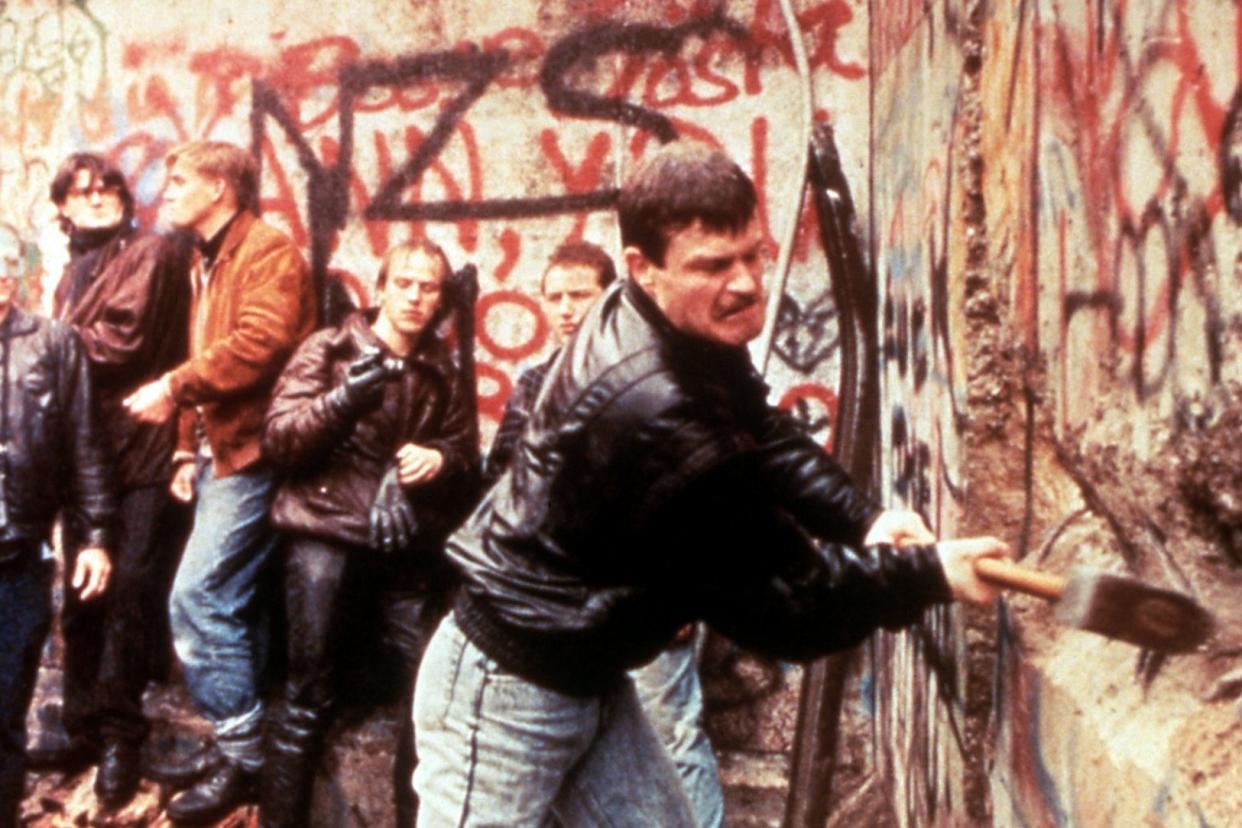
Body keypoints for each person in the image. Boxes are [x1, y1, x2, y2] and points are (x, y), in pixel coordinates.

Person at [411, 141, 1009, 827]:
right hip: (505, 691)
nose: (748, 282)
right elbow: (790, 603)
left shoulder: (667, 321)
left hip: (587, 672)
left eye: (753, 254)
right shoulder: (657, 409)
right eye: (714, 265)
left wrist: (863, 519)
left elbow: (758, 426)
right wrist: (929, 575)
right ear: (644, 267)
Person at [482, 239, 726, 827]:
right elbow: (502, 483)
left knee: (672, 737)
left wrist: (682, 587)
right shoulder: (537, 383)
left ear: (612, 297)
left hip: (644, 596)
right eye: (555, 297)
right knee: (584, 754)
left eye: (580, 296)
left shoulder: (655, 375)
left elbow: (695, 495)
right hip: (566, 603)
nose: (566, 309)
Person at [124, 140, 316, 823]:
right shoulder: (209, 256)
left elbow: (261, 343)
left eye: (179, 180)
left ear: (220, 189)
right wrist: (184, 450)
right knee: (234, 603)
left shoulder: (265, 251)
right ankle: (245, 754)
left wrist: (173, 390)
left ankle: (247, 761)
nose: (165, 191)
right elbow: (208, 353)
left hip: (255, 454)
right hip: (218, 453)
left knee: (199, 599)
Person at [259, 240, 479, 828]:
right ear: (380, 289)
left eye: (428, 287)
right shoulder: (329, 349)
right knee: (307, 697)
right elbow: (279, 443)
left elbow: (466, 457)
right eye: (403, 283)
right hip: (324, 534)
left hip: (401, 546)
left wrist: (437, 461)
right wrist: (342, 401)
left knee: (426, 694)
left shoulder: (440, 371)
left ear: (440, 300)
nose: (414, 297)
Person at [23, 153, 192, 809]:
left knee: (127, 590)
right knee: (83, 593)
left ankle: (120, 732)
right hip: (84, 452)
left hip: (140, 447)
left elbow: (123, 342)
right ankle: (82, 726)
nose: (96, 198)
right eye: (80, 191)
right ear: (62, 206)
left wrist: (52, 340)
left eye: (107, 188)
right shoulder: (69, 272)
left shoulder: (149, 252)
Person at [0, 228, 113, 827]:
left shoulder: (52, 345)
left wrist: (95, 538)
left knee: (3, 708)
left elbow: (86, 447)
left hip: (15, 557)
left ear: (9, 282)